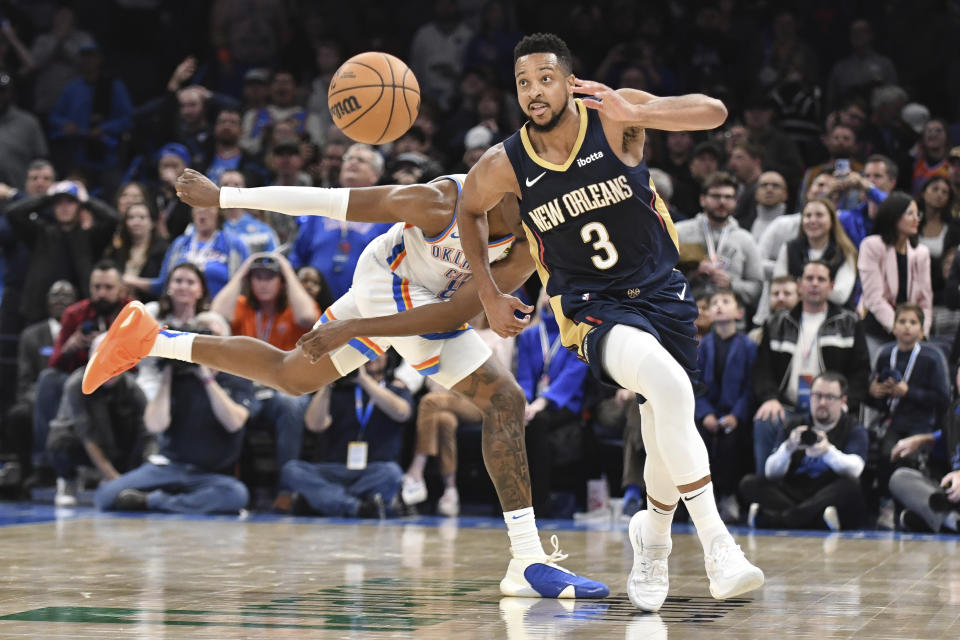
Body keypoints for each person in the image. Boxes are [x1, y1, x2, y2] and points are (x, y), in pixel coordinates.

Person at [85, 167, 609, 599]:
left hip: (418, 309)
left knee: (292, 376)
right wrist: (225, 196)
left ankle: (151, 339)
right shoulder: (437, 201)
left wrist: (357, 329)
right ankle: (527, 560)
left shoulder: (525, 246)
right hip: (385, 281)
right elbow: (327, 200)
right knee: (505, 399)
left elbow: (451, 312)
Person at [450, 32, 763, 611]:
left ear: (569, 81)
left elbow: (714, 113)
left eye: (545, 78)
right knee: (668, 390)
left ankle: (653, 539)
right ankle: (720, 546)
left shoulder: (614, 116)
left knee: (663, 415)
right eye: (523, 83)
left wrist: (639, 110)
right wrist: (490, 294)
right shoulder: (505, 162)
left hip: (664, 295)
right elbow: (467, 211)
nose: (534, 92)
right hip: (590, 306)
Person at [93, 312, 251, 514]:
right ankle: (182, 503)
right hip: (170, 467)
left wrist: (206, 377)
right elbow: (154, 425)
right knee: (105, 495)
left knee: (236, 495)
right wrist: (168, 372)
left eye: (214, 340)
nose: (208, 347)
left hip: (210, 475)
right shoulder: (178, 376)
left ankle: (153, 501)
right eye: (202, 342)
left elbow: (234, 422)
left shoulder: (237, 378)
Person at [752, 260, 870, 475]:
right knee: (764, 419)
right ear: (799, 285)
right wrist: (769, 398)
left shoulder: (849, 322)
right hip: (787, 407)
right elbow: (763, 369)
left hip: (830, 407)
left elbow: (861, 372)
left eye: (821, 279)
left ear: (831, 285)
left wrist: (844, 403)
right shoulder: (777, 322)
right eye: (809, 279)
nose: (815, 284)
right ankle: (765, 492)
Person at [283, 352, 412, 518]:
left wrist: (363, 380)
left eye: (378, 352)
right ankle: (359, 507)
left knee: (393, 474)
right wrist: (326, 385)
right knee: (292, 470)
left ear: (389, 359)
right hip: (334, 470)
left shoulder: (396, 389)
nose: (372, 357)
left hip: (373, 470)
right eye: (366, 354)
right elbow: (314, 425)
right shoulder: (339, 391)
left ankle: (322, 501)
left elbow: (402, 413)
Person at [742, 372, 868, 531]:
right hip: (795, 490)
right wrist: (788, 448)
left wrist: (828, 451)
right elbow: (771, 473)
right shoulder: (794, 425)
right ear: (810, 397)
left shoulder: (854, 428)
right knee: (749, 483)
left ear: (843, 401)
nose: (822, 402)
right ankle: (817, 520)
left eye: (830, 397)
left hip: (827, 491)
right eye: (817, 396)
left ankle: (780, 519)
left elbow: (855, 469)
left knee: (851, 487)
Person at [515, 288, 590, 518]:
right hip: (534, 404)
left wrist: (542, 403)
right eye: (547, 292)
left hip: (564, 403)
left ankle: (538, 503)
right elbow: (525, 376)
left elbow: (572, 376)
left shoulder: (577, 335)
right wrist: (525, 403)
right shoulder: (529, 335)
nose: (550, 297)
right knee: (515, 423)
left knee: (536, 424)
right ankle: (511, 501)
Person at [695, 289, 757, 523]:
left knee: (732, 442)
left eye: (726, 302)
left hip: (734, 414)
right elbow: (695, 385)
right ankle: (703, 501)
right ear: (709, 313)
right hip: (709, 412)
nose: (719, 306)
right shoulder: (702, 346)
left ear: (739, 312)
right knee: (699, 440)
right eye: (715, 303)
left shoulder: (748, 346)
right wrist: (705, 413)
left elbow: (749, 388)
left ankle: (728, 495)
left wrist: (737, 415)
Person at [676, 172, 765, 312]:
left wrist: (732, 284)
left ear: (735, 202)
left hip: (731, 323)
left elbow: (758, 288)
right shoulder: (680, 232)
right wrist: (691, 274)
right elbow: (661, 275)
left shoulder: (745, 239)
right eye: (716, 196)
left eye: (728, 197)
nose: (722, 201)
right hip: (686, 316)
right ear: (702, 199)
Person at [858, 192, 933, 359]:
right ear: (893, 215)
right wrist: (898, 327)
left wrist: (922, 332)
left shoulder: (921, 253)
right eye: (910, 213)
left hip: (911, 333)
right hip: (877, 329)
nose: (916, 219)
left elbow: (925, 300)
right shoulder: (872, 246)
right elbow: (874, 298)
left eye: (917, 214)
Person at [774, 198, 859, 310]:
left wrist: (799, 290)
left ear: (832, 220)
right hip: (795, 315)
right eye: (808, 216)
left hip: (836, 320)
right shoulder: (789, 248)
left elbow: (840, 296)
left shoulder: (846, 251)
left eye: (819, 215)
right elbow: (780, 287)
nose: (812, 220)